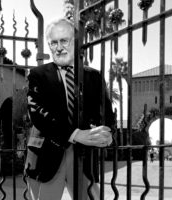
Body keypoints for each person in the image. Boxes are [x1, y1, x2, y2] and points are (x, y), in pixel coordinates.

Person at [24, 18, 115, 200]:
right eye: (54, 43)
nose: (59, 47)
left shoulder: (94, 76)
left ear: (75, 43)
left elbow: (105, 113)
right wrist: (75, 134)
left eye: (64, 41)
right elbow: (37, 113)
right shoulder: (37, 75)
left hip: (83, 157)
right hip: (46, 157)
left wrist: (107, 133)